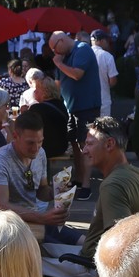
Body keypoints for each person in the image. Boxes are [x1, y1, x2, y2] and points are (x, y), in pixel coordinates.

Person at [41, 117, 139, 277]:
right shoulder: (138, 174)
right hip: (93, 255)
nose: (84, 151)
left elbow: (120, 246)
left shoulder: (112, 185)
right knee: (41, 248)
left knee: (21, 264)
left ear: (109, 144)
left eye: (89, 144)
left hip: (94, 267)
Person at [0, 109, 71, 240]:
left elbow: (41, 191)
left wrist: (56, 192)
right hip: (9, 226)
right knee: (57, 247)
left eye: (40, 141)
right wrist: (42, 218)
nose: (36, 148)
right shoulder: (0, 159)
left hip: (36, 220)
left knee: (84, 242)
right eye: (30, 143)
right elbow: (1, 206)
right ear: (15, 136)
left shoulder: (41, 153)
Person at [48, 30, 100, 196]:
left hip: (87, 106)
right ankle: (79, 179)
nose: (55, 53)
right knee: (76, 145)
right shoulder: (62, 57)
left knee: (86, 145)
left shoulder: (82, 49)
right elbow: (58, 84)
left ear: (62, 41)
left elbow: (77, 74)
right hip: (71, 107)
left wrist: (59, 64)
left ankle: (86, 186)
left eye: (55, 48)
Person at [26, 75, 69, 159]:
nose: (34, 92)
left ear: (44, 92)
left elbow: (26, 126)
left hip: (43, 149)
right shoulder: (61, 105)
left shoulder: (37, 108)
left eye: (37, 89)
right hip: (61, 147)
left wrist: (25, 112)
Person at [90, 29, 117, 120]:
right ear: (100, 41)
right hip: (103, 100)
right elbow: (113, 81)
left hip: (86, 101)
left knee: (88, 127)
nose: (108, 43)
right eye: (106, 40)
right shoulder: (107, 56)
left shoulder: (83, 54)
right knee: (104, 127)